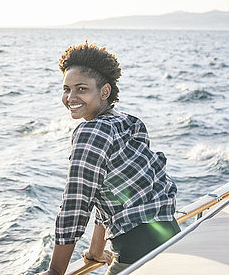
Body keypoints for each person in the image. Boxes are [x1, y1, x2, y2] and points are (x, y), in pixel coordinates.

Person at [38, 42, 179, 275]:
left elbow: (77, 202)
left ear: (104, 91)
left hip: (139, 250)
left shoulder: (90, 132)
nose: (71, 97)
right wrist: (95, 250)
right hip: (172, 237)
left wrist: (55, 270)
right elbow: (113, 193)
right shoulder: (127, 122)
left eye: (81, 89)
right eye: (66, 89)